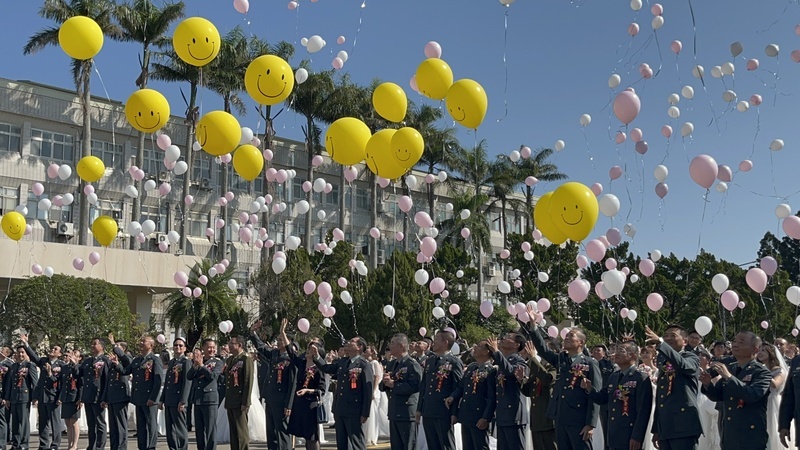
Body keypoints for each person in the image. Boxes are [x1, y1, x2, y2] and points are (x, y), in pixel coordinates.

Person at [525, 306, 601, 450]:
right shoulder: (561, 359)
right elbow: (543, 349)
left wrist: (590, 424)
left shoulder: (590, 363)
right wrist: (534, 326)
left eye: (571, 336)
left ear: (581, 343)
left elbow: (594, 395)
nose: (566, 338)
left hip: (579, 419)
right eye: (566, 336)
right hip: (560, 417)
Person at [701, 331, 770, 450]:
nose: (735, 345)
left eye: (741, 342)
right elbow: (718, 396)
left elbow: (752, 395)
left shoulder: (761, 372)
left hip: (750, 435)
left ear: (755, 349)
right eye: (735, 341)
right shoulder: (731, 368)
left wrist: (729, 377)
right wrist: (708, 384)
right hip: (729, 434)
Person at [582, 341, 653, 450]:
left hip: (630, 435)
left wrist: (637, 437)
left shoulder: (640, 378)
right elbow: (603, 398)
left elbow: (643, 411)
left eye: (622, 351)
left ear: (633, 355)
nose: (617, 354)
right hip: (614, 433)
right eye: (616, 350)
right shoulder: (614, 376)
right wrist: (590, 388)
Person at [645, 324, 703, 450]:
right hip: (665, 428)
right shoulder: (665, 363)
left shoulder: (691, 357)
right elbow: (662, 399)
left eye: (673, 336)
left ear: (685, 341)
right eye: (665, 336)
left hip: (684, 426)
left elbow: (682, 365)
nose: (668, 338)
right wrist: (656, 429)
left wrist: (661, 343)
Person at [311, 336, 373, 450]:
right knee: (342, 443)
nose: (349, 343)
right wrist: (317, 356)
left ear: (359, 347)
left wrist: (365, 413)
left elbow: (367, 392)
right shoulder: (343, 362)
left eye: (352, 342)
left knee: (356, 442)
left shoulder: (364, 365)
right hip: (340, 408)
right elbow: (326, 368)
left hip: (354, 410)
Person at [249, 319, 296, 450]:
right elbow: (261, 347)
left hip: (282, 401)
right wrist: (253, 332)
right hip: (270, 398)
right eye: (278, 339)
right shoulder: (274, 354)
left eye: (281, 339)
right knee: (271, 432)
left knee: (282, 433)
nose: (278, 341)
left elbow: (293, 384)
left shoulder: (292, 359)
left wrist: (289, 404)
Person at [417, 330, 463, 450]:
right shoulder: (430, 360)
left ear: (445, 342)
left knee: (445, 444)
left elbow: (458, 387)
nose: (433, 342)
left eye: (436, 339)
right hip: (428, 409)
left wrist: (454, 413)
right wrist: (419, 409)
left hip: (443, 410)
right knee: (432, 443)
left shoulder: (454, 362)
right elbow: (424, 386)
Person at [446, 340, 495, 450]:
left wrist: (485, 418)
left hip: (479, 416)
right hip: (466, 414)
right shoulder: (472, 368)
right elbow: (461, 387)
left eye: (478, 346)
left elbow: (491, 398)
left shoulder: (490, 371)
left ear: (486, 351)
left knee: (480, 446)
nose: (474, 347)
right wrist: (453, 396)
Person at [117, 335, 164, 450]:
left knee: (151, 424)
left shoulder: (154, 359)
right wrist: (116, 364)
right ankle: (142, 446)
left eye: (144, 341)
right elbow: (125, 371)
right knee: (141, 426)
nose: (141, 342)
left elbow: (158, 381)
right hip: (139, 398)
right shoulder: (137, 360)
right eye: (141, 340)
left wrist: (153, 398)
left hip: (149, 398)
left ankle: (151, 447)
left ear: (151, 345)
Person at [19, 334, 64, 450]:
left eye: (55, 349)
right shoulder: (44, 361)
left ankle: (55, 445)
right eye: (52, 348)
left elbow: (60, 383)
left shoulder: (61, 365)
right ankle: (43, 445)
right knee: (43, 422)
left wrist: (50, 374)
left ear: (59, 354)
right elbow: (34, 357)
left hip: (53, 396)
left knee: (55, 423)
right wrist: (26, 343)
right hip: (42, 396)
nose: (52, 350)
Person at [380, 333, 422, 450]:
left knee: (408, 445)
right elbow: (383, 386)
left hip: (406, 412)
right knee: (396, 445)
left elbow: (415, 386)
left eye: (393, 343)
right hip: (394, 411)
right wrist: (385, 382)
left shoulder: (412, 364)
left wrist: (394, 385)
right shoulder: (392, 364)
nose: (390, 346)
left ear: (402, 346)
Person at [486, 332, 528, 450]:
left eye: (509, 338)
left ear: (516, 345)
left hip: (514, 416)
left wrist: (496, 351)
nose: (504, 338)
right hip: (502, 415)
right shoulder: (501, 361)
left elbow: (510, 371)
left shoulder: (519, 361)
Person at [286, 337, 326, 450]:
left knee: (311, 437)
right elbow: (291, 353)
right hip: (299, 404)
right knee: (302, 434)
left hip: (310, 406)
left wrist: (307, 391)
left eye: (311, 349)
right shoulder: (302, 364)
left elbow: (321, 390)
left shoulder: (319, 368)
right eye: (308, 349)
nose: (307, 351)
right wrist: (283, 334)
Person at [188, 338, 224, 450]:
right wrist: (195, 365)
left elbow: (213, 376)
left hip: (210, 399)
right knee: (199, 430)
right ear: (203, 348)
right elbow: (189, 376)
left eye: (213, 347)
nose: (211, 349)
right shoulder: (199, 360)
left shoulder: (218, 362)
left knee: (210, 430)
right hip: (198, 399)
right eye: (209, 347)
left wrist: (202, 366)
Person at [521, 340, 556, 450]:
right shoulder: (535, 366)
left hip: (549, 420)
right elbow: (529, 391)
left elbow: (547, 379)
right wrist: (521, 380)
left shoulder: (554, 366)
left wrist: (533, 359)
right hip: (537, 419)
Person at [3, 346, 38, 450]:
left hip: (24, 397)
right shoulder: (13, 366)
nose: (20, 355)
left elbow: (34, 383)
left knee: (23, 422)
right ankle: (15, 444)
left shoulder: (29, 365)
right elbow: (9, 383)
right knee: (15, 422)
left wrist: (35, 397)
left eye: (23, 352)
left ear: (27, 354)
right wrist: (7, 397)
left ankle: (24, 444)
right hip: (14, 397)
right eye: (19, 352)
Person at [78, 338, 109, 450]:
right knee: (91, 424)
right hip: (88, 395)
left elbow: (106, 380)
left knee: (100, 423)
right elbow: (79, 375)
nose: (92, 346)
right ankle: (92, 445)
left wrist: (105, 397)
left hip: (99, 395)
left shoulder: (105, 360)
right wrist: (74, 364)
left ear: (101, 346)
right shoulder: (87, 361)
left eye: (94, 344)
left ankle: (100, 446)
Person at [224, 335, 254, 450]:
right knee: (234, 432)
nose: (229, 346)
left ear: (239, 345)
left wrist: (245, 402)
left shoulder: (246, 359)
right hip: (231, 400)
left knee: (241, 432)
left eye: (232, 343)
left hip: (240, 400)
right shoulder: (231, 359)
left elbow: (248, 381)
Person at [756, 342, 787, 450]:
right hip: (761, 404)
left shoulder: (779, 370)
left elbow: (775, 384)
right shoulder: (758, 369)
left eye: (763, 350)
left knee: (773, 432)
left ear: (771, 353)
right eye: (759, 350)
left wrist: (763, 372)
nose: (759, 352)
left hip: (773, 403)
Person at [103, 336, 131, 450]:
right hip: (112, 397)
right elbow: (108, 381)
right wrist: (105, 397)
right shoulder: (112, 361)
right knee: (113, 426)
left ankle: (121, 447)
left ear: (123, 349)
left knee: (120, 425)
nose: (114, 349)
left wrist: (114, 344)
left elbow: (126, 363)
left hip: (121, 396)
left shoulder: (127, 358)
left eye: (118, 347)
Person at [163, 338, 191, 450]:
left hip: (178, 400)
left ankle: (182, 448)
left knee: (180, 428)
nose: (177, 347)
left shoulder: (186, 362)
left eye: (180, 345)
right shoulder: (172, 362)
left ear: (184, 348)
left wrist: (183, 400)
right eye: (175, 345)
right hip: (169, 399)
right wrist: (162, 399)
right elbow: (168, 382)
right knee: (170, 429)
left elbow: (187, 382)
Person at [56, 349, 82, 450]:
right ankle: (69, 443)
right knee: (67, 422)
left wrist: (80, 398)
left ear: (79, 358)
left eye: (75, 355)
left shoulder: (79, 367)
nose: (72, 356)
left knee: (74, 422)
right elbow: (62, 384)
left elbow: (81, 384)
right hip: (66, 396)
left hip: (74, 396)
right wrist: (60, 397)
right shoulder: (65, 368)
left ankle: (75, 444)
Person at [591, 343, 615, 450]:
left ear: (604, 353)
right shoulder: (590, 364)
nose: (596, 352)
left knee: (608, 427)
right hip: (594, 398)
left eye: (599, 350)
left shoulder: (609, 365)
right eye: (594, 350)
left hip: (606, 399)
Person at [363, 345, 385, 445]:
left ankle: (372, 437)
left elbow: (376, 377)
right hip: (368, 389)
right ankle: (366, 435)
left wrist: (373, 390)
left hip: (373, 390)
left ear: (371, 352)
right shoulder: (366, 363)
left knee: (372, 414)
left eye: (367, 349)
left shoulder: (374, 363)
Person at [0, 346, 13, 449]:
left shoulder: (9, 364)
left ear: (7, 353)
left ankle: (2, 444)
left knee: (2, 420)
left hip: (2, 394)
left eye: (2, 350)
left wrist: (6, 397)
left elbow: (8, 383)